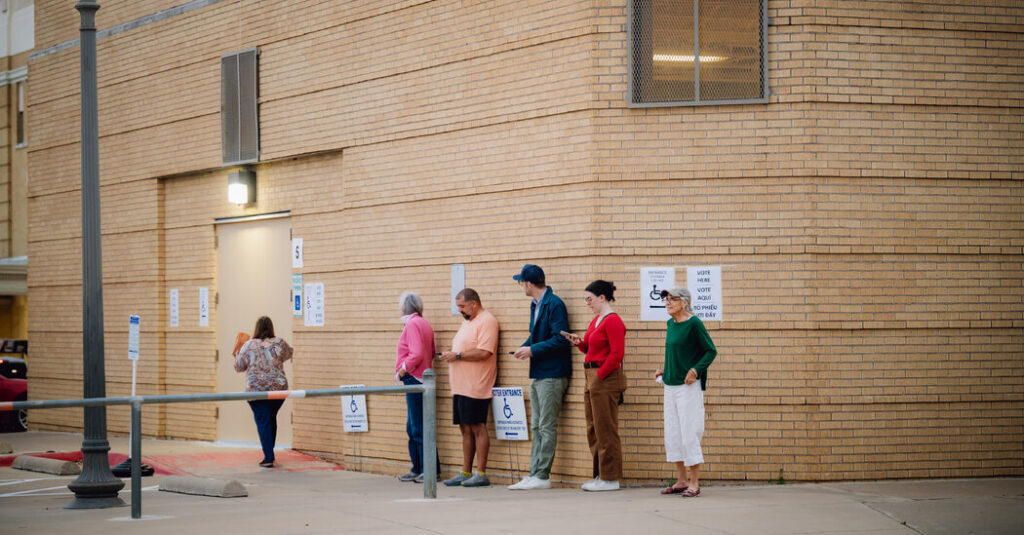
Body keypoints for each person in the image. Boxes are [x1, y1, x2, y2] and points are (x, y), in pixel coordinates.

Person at [508, 264, 572, 490]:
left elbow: (561, 338)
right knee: (536, 425)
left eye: (521, 283)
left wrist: (532, 350)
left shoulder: (554, 304)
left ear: (529, 283)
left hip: (553, 374)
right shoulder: (535, 305)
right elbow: (535, 336)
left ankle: (542, 475)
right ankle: (534, 472)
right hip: (538, 373)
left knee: (545, 425)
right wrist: (524, 347)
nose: (521, 287)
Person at [562, 280, 626, 492]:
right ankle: (599, 475)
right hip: (591, 376)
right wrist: (579, 343)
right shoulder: (595, 321)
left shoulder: (613, 321)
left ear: (602, 297)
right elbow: (590, 348)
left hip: (604, 378)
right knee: (593, 428)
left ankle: (611, 478)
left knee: (605, 428)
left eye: (590, 299)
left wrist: (599, 375)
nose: (587, 303)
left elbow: (617, 354)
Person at [656, 287, 717, 498]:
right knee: (673, 433)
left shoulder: (694, 323)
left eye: (673, 299)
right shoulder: (670, 324)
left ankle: (694, 482)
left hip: (688, 387)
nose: (668, 302)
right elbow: (674, 352)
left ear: (684, 302)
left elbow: (711, 350)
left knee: (689, 432)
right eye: (666, 299)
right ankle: (681, 480)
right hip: (670, 385)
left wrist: (695, 370)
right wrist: (666, 369)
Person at [438, 288, 499, 487]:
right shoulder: (467, 322)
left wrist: (456, 356)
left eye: (462, 306)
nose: (460, 310)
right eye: (458, 307)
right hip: (460, 385)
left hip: (477, 384)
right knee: (464, 428)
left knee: (477, 426)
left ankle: (481, 473)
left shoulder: (487, 320)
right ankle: (466, 471)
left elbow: (484, 352)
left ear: (474, 303)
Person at [233, 316, 293, 468]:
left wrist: (238, 353)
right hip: (278, 388)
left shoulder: (248, 344)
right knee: (270, 418)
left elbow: (239, 367)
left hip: (256, 389)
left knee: (263, 420)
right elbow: (289, 353)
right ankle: (269, 452)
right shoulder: (279, 342)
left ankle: (268, 457)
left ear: (256, 328)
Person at [394, 292, 439, 483]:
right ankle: (419, 467)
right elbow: (431, 352)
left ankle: (427, 469)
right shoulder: (423, 323)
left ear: (405, 307)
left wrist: (403, 370)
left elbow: (417, 353)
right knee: (414, 426)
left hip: (414, 378)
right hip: (422, 377)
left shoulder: (412, 324)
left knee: (417, 426)